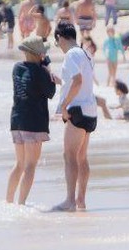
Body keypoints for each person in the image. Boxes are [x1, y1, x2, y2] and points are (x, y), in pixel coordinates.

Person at [50, 21, 96, 212]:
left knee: (69, 156)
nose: (58, 46)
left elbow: (77, 81)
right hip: (90, 111)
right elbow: (78, 82)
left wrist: (64, 104)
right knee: (82, 158)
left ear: (60, 37)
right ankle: (80, 201)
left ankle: (70, 200)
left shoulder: (70, 55)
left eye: (57, 41)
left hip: (77, 109)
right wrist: (60, 81)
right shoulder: (86, 53)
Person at [5, 36, 54, 206]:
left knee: (19, 164)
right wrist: (47, 67)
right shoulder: (41, 72)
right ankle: (21, 204)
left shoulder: (17, 68)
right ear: (38, 54)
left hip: (16, 119)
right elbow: (51, 91)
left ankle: (8, 202)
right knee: (30, 166)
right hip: (33, 122)